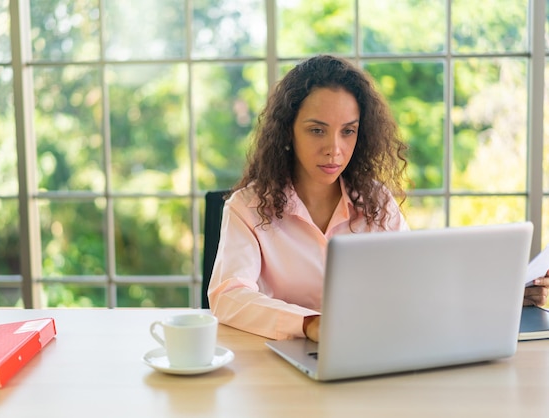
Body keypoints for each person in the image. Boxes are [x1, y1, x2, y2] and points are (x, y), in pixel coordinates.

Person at [207, 54, 549, 342]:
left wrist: (500, 295)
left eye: (348, 131)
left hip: (370, 356)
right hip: (276, 366)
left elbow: (419, 285)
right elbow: (229, 296)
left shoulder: (376, 203)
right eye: (316, 130)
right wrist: (311, 324)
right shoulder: (247, 208)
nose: (334, 149)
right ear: (287, 132)